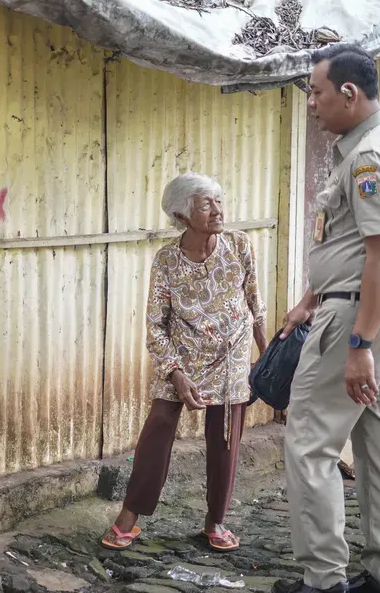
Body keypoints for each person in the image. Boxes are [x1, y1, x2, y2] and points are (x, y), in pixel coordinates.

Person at [274, 44, 380, 593]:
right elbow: (355, 244)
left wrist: (359, 345)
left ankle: (324, 580)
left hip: (363, 321)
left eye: (315, 91)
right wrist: (314, 294)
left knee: (311, 441)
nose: (311, 102)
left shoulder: (370, 160)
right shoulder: (370, 147)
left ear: (349, 94)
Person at [101, 173, 267, 552]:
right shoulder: (167, 261)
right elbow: (155, 327)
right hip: (182, 358)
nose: (217, 210)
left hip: (231, 357)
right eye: (206, 203)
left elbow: (255, 306)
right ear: (181, 214)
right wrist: (175, 373)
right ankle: (130, 516)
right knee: (158, 428)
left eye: (219, 201)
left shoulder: (240, 245)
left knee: (225, 438)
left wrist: (266, 354)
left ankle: (216, 521)